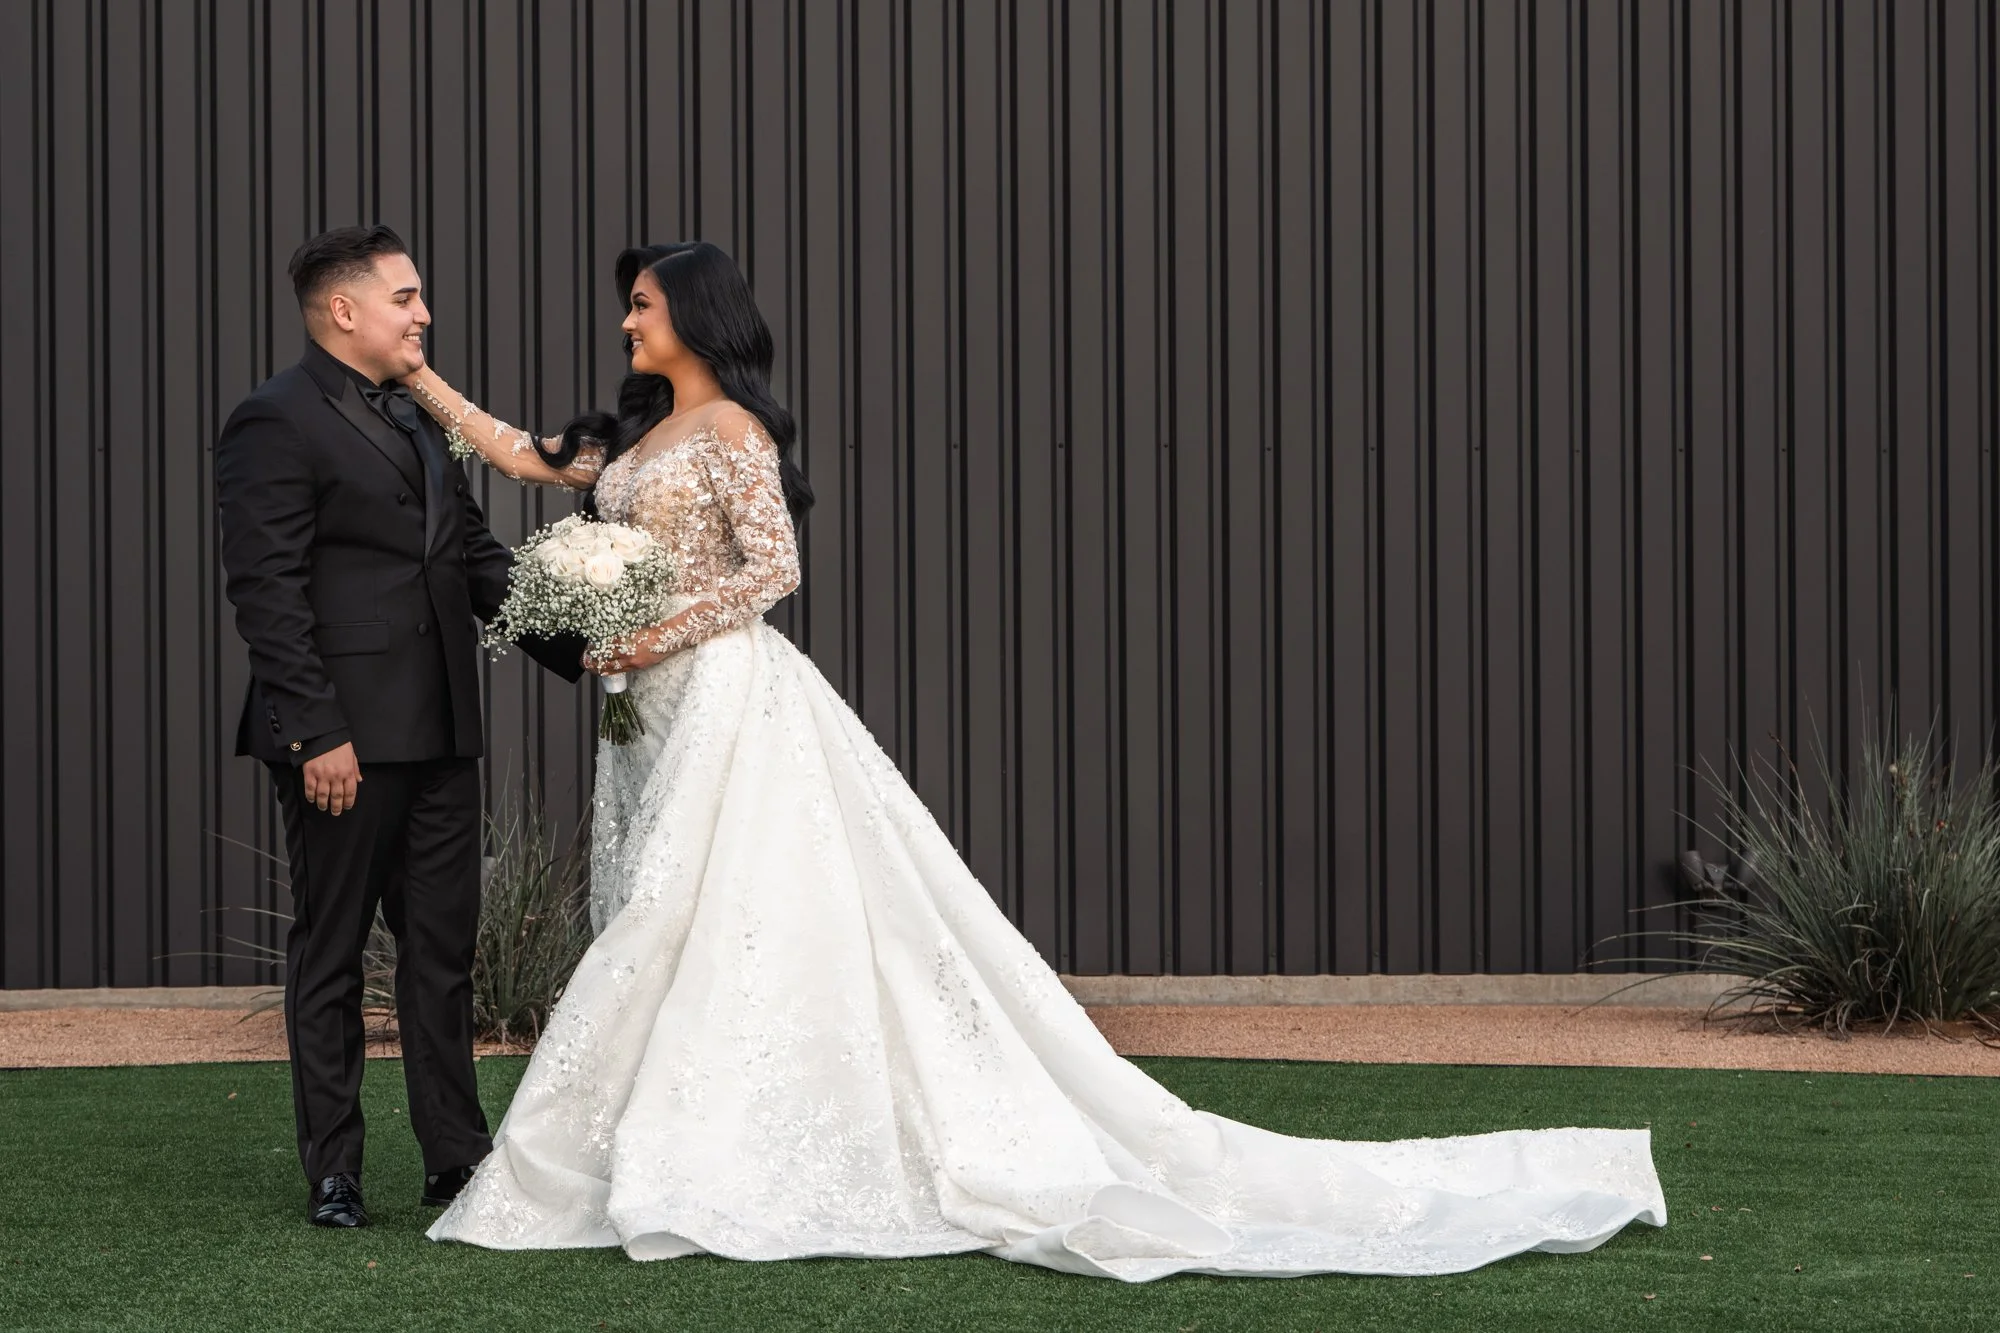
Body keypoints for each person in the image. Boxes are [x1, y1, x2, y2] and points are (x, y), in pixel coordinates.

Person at [398, 240, 1666, 1279]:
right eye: (627, 307)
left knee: (708, 906)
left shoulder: (732, 430)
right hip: (647, 713)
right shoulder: (629, 442)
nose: (626, 322)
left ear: (695, 316)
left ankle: (710, 1142)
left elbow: (774, 571)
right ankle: (655, 1133)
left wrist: (637, 634)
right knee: (659, 905)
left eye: (641, 305)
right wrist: (420, 379)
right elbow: (519, 457)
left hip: (723, 693)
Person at [216, 225, 585, 1229]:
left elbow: (472, 557)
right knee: (330, 953)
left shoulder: (421, 420)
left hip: (442, 732)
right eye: (405, 296)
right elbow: (268, 592)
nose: (423, 313)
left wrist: (586, 645)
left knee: (441, 954)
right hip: (341, 742)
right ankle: (334, 1171)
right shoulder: (274, 420)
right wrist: (314, 731)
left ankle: (454, 1160)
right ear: (345, 310)